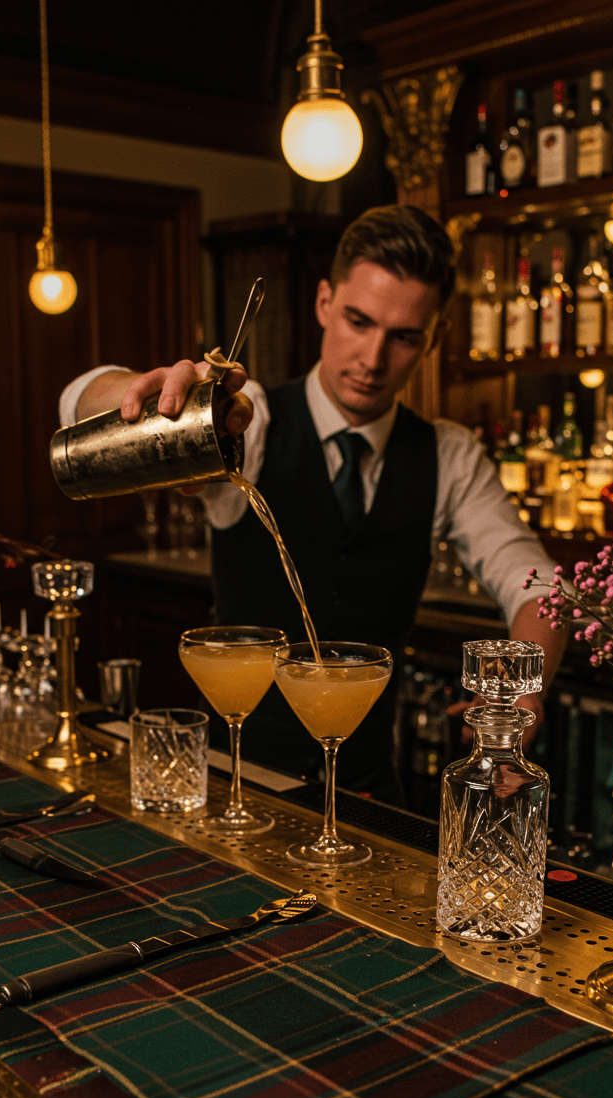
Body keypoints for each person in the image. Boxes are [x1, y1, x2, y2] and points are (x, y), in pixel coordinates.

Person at [60, 205, 564, 802]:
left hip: (366, 793)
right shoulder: (256, 420)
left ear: (437, 337)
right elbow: (78, 398)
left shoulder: (449, 456)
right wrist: (146, 395)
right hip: (233, 782)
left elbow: (539, 587)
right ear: (325, 302)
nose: (374, 359)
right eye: (358, 321)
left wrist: (517, 686)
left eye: (404, 337)